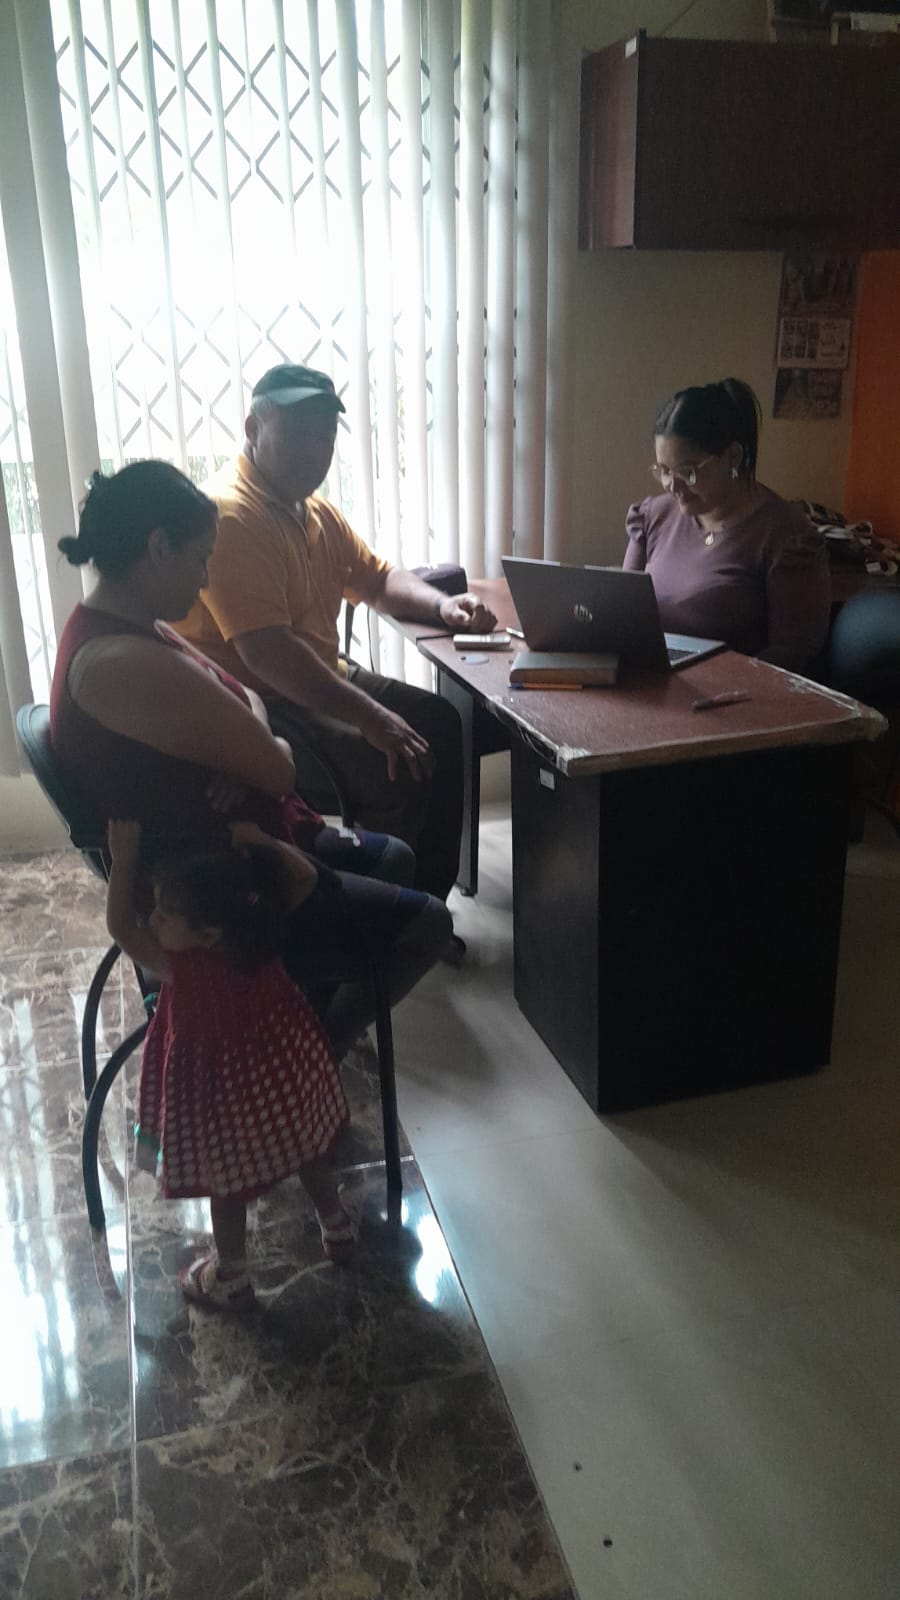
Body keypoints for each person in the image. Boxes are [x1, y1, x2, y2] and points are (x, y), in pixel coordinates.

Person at [50, 460, 451, 1054]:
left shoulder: (132, 625)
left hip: (229, 843)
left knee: (395, 856)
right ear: (158, 548)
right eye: (199, 559)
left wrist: (241, 753)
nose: (204, 578)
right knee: (429, 926)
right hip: (211, 893)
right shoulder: (122, 662)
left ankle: (289, 1011)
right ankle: (315, 1049)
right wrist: (251, 753)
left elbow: (246, 699)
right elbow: (279, 768)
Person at [175, 363, 498, 904]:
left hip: (318, 678)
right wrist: (374, 719)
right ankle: (376, 913)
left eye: (325, 437)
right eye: (299, 433)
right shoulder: (233, 515)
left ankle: (425, 906)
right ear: (253, 429)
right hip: (262, 704)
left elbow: (378, 579)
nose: (316, 450)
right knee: (397, 766)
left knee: (440, 723)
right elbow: (268, 655)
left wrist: (445, 607)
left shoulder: (313, 510)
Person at [107, 819, 356, 1313]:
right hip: (284, 1080)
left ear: (208, 933)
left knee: (226, 1186)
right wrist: (261, 840)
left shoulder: (178, 963)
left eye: (165, 914)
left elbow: (119, 927)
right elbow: (306, 876)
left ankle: (232, 1278)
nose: (153, 919)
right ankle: (338, 1229)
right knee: (308, 1150)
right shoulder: (257, 936)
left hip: (223, 1098)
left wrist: (123, 858)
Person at [624, 378, 831, 673]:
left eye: (687, 472)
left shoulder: (786, 538)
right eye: (664, 471)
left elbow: (793, 652)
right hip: (649, 678)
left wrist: (714, 684)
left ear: (733, 456)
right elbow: (624, 611)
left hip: (733, 691)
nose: (673, 486)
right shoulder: (653, 516)